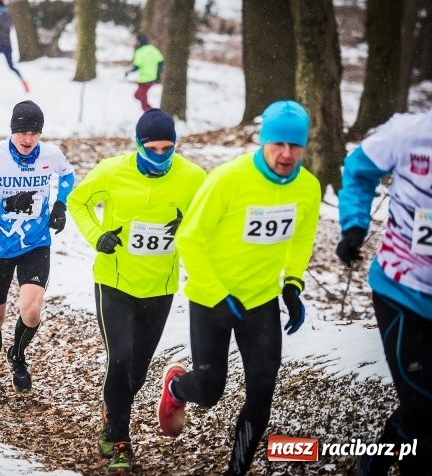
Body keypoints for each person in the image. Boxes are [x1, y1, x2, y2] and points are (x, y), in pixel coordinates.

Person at [158, 100, 321, 476]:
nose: (286, 154)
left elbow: (301, 238)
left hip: (260, 300)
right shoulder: (228, 179)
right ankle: (177, 388)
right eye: (278, 144)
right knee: (209, 390)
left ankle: (237, 470)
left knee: (262, 393)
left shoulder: (308, 188)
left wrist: (293, 284)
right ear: (263, 142)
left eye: (295, 146)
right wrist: (218, 294)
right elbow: (189, 239)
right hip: (210, 298)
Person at [68, 109, 206, 475]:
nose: (160, 156)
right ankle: (121, 441)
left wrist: (189, 227)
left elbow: (208, 219)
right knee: (119, 358)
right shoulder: (112, 171)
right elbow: (77, 202)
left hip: (159, 288)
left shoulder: (193, 177)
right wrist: (97, 236)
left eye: (167, 148)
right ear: (138, 145)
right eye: (152, 148)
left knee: (138, 372)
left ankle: (112, 414)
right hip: (114, 282)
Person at [336, 112, 432, 476]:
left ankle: (376, 463)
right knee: (422, 403)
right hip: (401, 291)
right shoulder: (409, 133)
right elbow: (358, 170)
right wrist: (354, 226)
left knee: (421, 403)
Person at [0, 100, 73, 408]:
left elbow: (68, 176)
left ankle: (17, 354)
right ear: (12, 131)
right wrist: (6, 203)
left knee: (31, 311)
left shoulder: (52, 155)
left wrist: (60, 204)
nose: (28, 139)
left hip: (35, 244)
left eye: (34, 133)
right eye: (22, 133)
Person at [125, 34, 163, 112]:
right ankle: (150, 111)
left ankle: (150, 112)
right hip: (152, 78)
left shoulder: (140, 52)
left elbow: (137, 66)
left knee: (140, 97)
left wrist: (128, 72)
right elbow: (161, 61)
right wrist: (158, 74)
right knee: (139, 95)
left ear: (139, 41)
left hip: (144, 79)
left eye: (137, 40)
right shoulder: (153, 49)